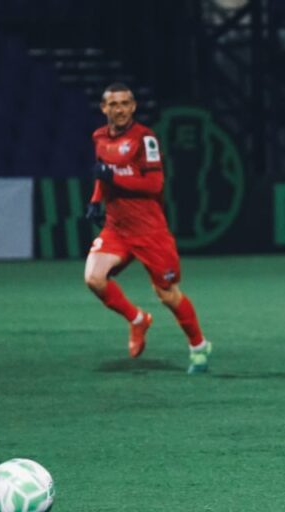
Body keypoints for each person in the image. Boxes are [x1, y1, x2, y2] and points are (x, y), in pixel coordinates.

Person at [83, 82, 212, 374]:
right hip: (116, 228)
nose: (119, 109)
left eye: (125, 103)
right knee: (94, 278)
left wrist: (113, 179)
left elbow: (154, 184)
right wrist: (95, 200)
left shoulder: (145, 139)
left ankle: (199, 345)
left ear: (133, 107)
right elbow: (103, 174)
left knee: (167, 294)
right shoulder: (99, 137)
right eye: (113, 104)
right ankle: (138, 320)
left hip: (149, 231)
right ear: (104, 108)